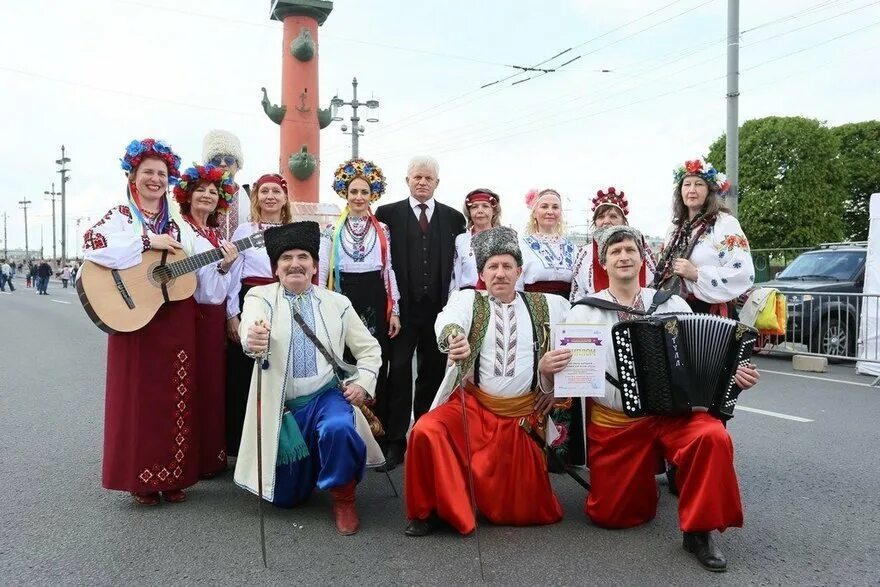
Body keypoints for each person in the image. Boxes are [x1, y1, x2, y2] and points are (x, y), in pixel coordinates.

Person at [560, 225, 760, 572]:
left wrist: (735, 376)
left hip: (673, 415)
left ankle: (699, 531)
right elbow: (575, 381)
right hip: (619, 422)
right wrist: (552, 370)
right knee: (612, 516)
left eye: (630, 250)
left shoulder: (672, 303)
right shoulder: (583, 312)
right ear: (604, 263)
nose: (623, 256)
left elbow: (702, 361)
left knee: (712, 436)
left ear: (641, 258)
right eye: (615, 252)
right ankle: (641, 483)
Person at [404, 226, 570, 536]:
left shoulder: (548, 305)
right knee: (426, 430)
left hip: (521, 416)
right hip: (473, 407)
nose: (500, 273)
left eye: (507, 266)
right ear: (481, 273)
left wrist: (552, 382)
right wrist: (453, 338)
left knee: (525, 512)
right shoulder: (469, 300)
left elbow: (579, 343)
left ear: (520, 271)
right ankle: (430, 511)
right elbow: (448, 318)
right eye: (492, 266)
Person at [235, 221, 384, 535]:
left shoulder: (337, 303)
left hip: (325, 396)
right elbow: (252, 327)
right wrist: (253, 338)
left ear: (315, 266)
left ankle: (344, 497)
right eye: (286, 258)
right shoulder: (260, 297)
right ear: (276, 269)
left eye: (303, 257)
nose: (295, 264)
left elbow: (369, 349)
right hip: (282, 406)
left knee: (338, 428)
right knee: (287, 498)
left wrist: (361, 383)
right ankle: (317, 468)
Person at [83, 138, 199, 506]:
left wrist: (225, 259)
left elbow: (190, 264)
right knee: (138, 398)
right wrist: (148, 239)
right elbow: (92, 244)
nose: (155, 179)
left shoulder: (178, 219)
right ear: (133, 175)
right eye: (147, 171)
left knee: (177, 395)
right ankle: (141, 479)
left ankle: (175, 474)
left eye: (162, 174)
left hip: (172, 311)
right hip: (134, 314)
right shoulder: (119, 214)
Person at [374, 156, 466, 470]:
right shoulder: (387, 214)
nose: (422, 182)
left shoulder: (454, 219)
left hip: (438, 309)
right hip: (403, 309)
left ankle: (426, 434)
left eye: (428, 178)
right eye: (417, 177)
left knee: (433, 372)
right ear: (407, 180)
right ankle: (395, 440)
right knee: (398, 370)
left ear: (437, 183)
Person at [319, 158, 401, 456]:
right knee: (343, 358)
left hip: (374, 296)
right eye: (353, 191)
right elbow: (322, 271)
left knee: (375, 358)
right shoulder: (331, 230)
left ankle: (378, 429)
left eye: (364, 192)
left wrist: (395, 309)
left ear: (372, 195)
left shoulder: (384, 230)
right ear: (345, 193)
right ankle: (349, 424)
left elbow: (388, 269)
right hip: (343, 293)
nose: (358, 197)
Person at [174, 163, 240, 478]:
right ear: (187, 195)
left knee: (212, 385)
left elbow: (218, 288)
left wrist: (226, 267)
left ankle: (209, 457)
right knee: (185, 386)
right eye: (200, 189)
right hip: (184, 314)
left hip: (211, 316)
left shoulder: (216, 235)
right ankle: (185, 458)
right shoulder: (176, 228)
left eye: (213, 192)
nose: (206, 196)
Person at [225, 172, 293, 459]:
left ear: (285, 197)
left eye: (276, 191)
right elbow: (233, 276)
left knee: (280, 371)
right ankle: (242, 446)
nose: (270, 197)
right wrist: (232, 314)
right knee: (244, 373)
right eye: (264, 191)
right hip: (250, 300)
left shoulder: (296, 229)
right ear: (256, 197)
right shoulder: (243, 231)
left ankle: (279, 441)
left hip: (283, 301)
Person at [517, 187, 582, 469]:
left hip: (566, 314)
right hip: (535, 312)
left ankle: (561, 449)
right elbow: (519, 284)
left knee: (565, 375)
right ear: (534, 211)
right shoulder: (523, 243)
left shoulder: (572, 246)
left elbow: (579, 285)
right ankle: (531, 444)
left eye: (555, 207)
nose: (550, 212)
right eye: (544, 206)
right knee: (537, 373)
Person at [653, 158, 755, 317]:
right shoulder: (674, 230)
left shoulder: (724, 224)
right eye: (687, 184)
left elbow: (743, 272)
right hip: (675, 310)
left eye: (699, 184)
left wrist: (696, 274)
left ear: (709, 191)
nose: (691, 190)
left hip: (712, 315)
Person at [569, 187, 657, 302]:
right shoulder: (586, 253)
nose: (606, 221)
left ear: (623, 221)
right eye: (601, 217)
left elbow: (653, 286)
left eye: (613, 216)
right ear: (595, 222)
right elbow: (578, 293)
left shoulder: (640, 248)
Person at [450, 188, 502, 291]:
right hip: (468, 297)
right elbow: (456, 274)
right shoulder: (461, 240)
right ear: (469, 212)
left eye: (485, 206)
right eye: (474, 207)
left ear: (494, 211)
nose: (480, 211)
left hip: (497, 295)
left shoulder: (504, 238)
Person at [202, 129, 245, 241]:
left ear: (237, 165)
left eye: (229, 160)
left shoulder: (251, 197)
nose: (222, 164)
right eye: (216, 160)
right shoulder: (198, 196)